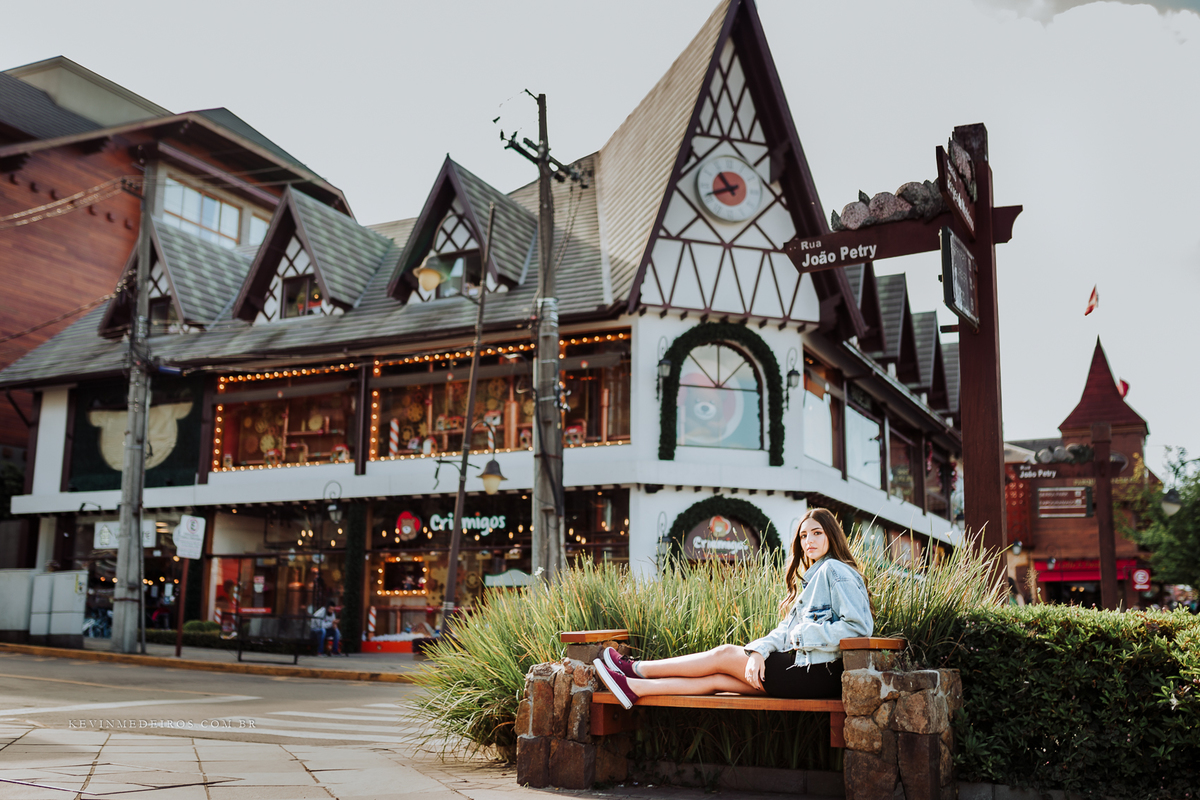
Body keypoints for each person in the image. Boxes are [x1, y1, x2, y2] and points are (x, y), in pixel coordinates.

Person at [593, 508, 873, 710]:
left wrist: (801, 636)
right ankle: (635, 687)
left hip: (815, 672)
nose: (809, 540)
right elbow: (784, 630)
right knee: (718, 680)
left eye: (817, 533)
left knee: (724, 654)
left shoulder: (834, 570)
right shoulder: (815, 577)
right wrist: (758, 652)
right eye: (803, 535)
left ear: (831, 535)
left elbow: (859, 628)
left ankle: (635, 668)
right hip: (806, 673)